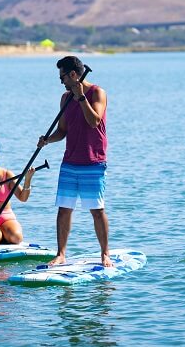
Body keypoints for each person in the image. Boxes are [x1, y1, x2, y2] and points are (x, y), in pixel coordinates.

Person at [38, 56, 114, 267]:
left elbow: (94, 121)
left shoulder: (97, 93)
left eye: (62, 76)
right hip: (70, 162)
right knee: (64, 209)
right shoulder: (64, 98)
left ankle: (105, 254)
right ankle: (61, 254)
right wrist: (48, 140)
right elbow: (62, 131)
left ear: (73, 74)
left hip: (93, 161)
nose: (60, 81)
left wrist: (81, 98)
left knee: (97, 211)